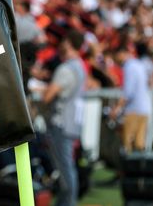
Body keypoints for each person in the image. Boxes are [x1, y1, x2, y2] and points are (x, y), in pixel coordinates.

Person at [42, 30, 86, 206]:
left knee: (65, 168)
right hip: (72, 121)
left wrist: (39, 89)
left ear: (69, 43)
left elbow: (48, 96)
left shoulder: (66, 68)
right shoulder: (80, 65)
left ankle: (68, 203)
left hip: (61, 123)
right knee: (67, 167)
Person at [110, 44, 152, 153]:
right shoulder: (139, 64)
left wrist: (117, 108)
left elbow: (128, 92)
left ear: (121, 53)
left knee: (127, 144)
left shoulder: (129, 66)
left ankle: (130, 168)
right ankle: (141, 169)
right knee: (139, 143)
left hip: (134, 110)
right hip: (145, 108)